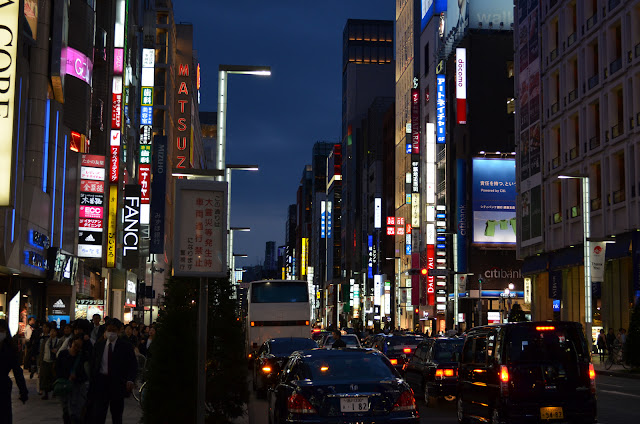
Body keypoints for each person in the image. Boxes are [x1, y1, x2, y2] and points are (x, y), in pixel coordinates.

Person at [88, 318, 137, 424]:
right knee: (99, 415)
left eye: (114, 330)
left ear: (119, 331)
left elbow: (133, 365)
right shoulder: (99, 345)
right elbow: (93, 365)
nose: (111, 333)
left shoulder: (126, 346)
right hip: (101, 383)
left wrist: (130, 380)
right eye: (109, 330)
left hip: (117, 383)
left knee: (117, 415)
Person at [56, 335, 89, 424]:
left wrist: (76, 377)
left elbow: (86, 373)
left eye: (79, 346)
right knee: (66, 410)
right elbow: (57, 370)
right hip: (65, 386)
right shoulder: (63, 354)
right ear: (71, 343)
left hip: (78, 387)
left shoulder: (83, 356)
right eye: (75, 345)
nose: (76, 348)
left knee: (76, 411)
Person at [0, 319, 29, 423]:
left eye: (2, 330)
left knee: (4, 414)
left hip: (3, 385)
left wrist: (23, 390)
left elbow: (17, 371)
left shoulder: (10, 348)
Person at [41, 325, 63, 399]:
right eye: (51, 331)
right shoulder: (46, 340)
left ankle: (55, 392)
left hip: (54, 361)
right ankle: (46, 393)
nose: (52, 333)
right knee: (45, 377)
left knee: (53, 377)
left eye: (54, 331)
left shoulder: (59, 341)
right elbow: (42, 351)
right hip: (46, 360)